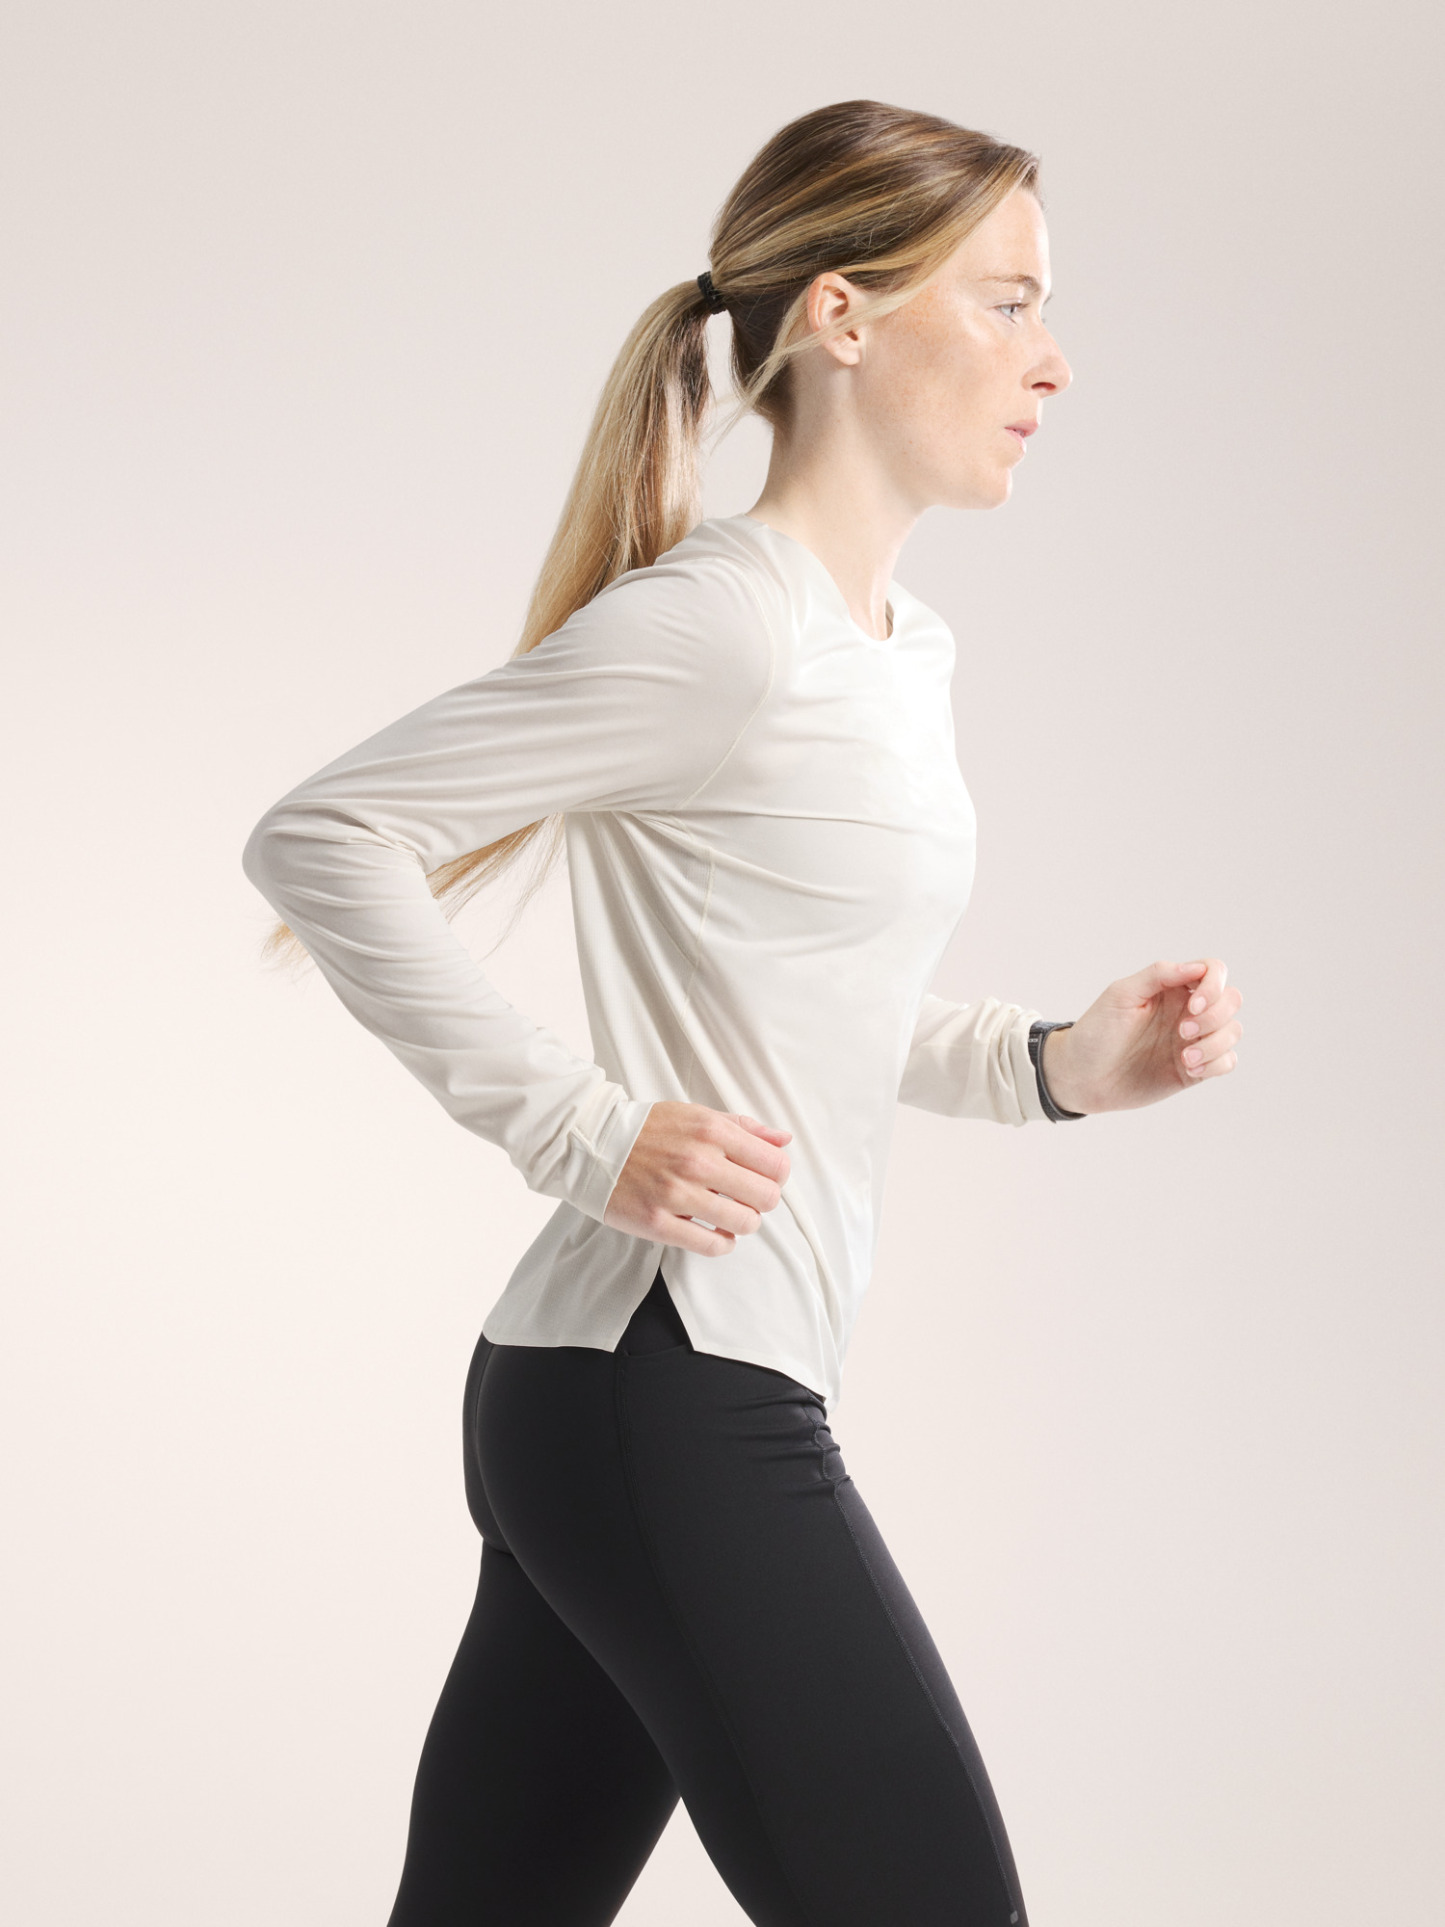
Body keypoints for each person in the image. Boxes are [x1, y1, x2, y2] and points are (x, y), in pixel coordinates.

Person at [242, 98, 1244, 1927]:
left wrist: (1050, 1067)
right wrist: (579, 1128)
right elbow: (325, 836)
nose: (1054, 361)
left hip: (627, 1389)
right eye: (1009, 303)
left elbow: (813, 995)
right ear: (843, 316)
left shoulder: (898, 650)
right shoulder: (723, 625)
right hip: (665, 1388)